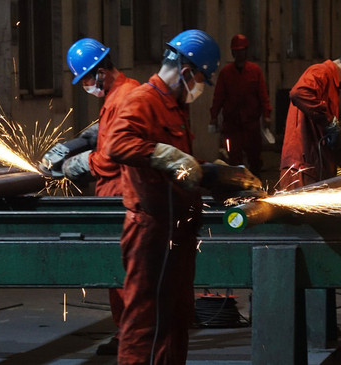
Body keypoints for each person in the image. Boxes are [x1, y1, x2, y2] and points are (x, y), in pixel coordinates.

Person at [106, 29, 220, 364]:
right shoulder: (143, 100)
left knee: (176, 319)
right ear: (186, 73)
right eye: (200, 80)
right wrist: (166, 155)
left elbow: (182, 163)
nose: (199, 89)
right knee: (144, 323)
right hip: (150, 234)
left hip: (176, 233)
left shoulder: (174, 106)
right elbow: (117, 143)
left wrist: (215, 173)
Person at [39, 37, 140, 356]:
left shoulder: (124, 96)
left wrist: (75, 164)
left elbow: (113, 155)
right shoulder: (121, 93)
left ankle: (132, 337)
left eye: (85, 79)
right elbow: (107, 130)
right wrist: (77, 142)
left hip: (123, 195)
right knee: (118, 272)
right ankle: (127, 332)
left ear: (100, 72)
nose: (85, 85)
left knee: (124, 273)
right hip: (114, 196)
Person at [278, 42, 341, 190]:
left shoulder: (333, 87)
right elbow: (299, 93)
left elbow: (325, 128)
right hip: (302, 169)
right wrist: (331, 124)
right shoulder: (320, 72)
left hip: (316, 168)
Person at [209, 34, 272, 177]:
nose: (239, 54)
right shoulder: (226, 73)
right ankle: (237, 189)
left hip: (251, 124)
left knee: (254, 158)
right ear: (233, 53)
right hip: (232, 125)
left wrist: (266, 115)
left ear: (246, 51)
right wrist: (213, 116)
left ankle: (256, 186)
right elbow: (218, 96)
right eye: (236, 51)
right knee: (234, 159)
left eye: (242, 50)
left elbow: (263, 95)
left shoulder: (255, 71)